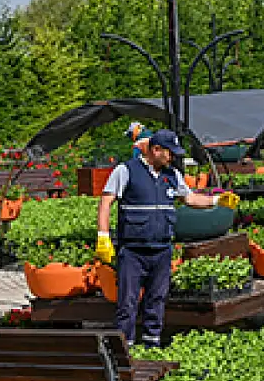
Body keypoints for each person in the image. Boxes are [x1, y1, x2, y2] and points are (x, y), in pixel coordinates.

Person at [94, 129, 239, 348]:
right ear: (156, 150)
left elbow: (189, 198)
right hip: (133, 251)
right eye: (169, 153)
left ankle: (152, 346)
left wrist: (217, 200)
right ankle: (125, 350)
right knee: (127, 303)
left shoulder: (172, 175)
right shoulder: (126, 171)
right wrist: (103, 236)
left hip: (162, 250)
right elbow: (106, 202)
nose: (172, 157)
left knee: (157, 300)